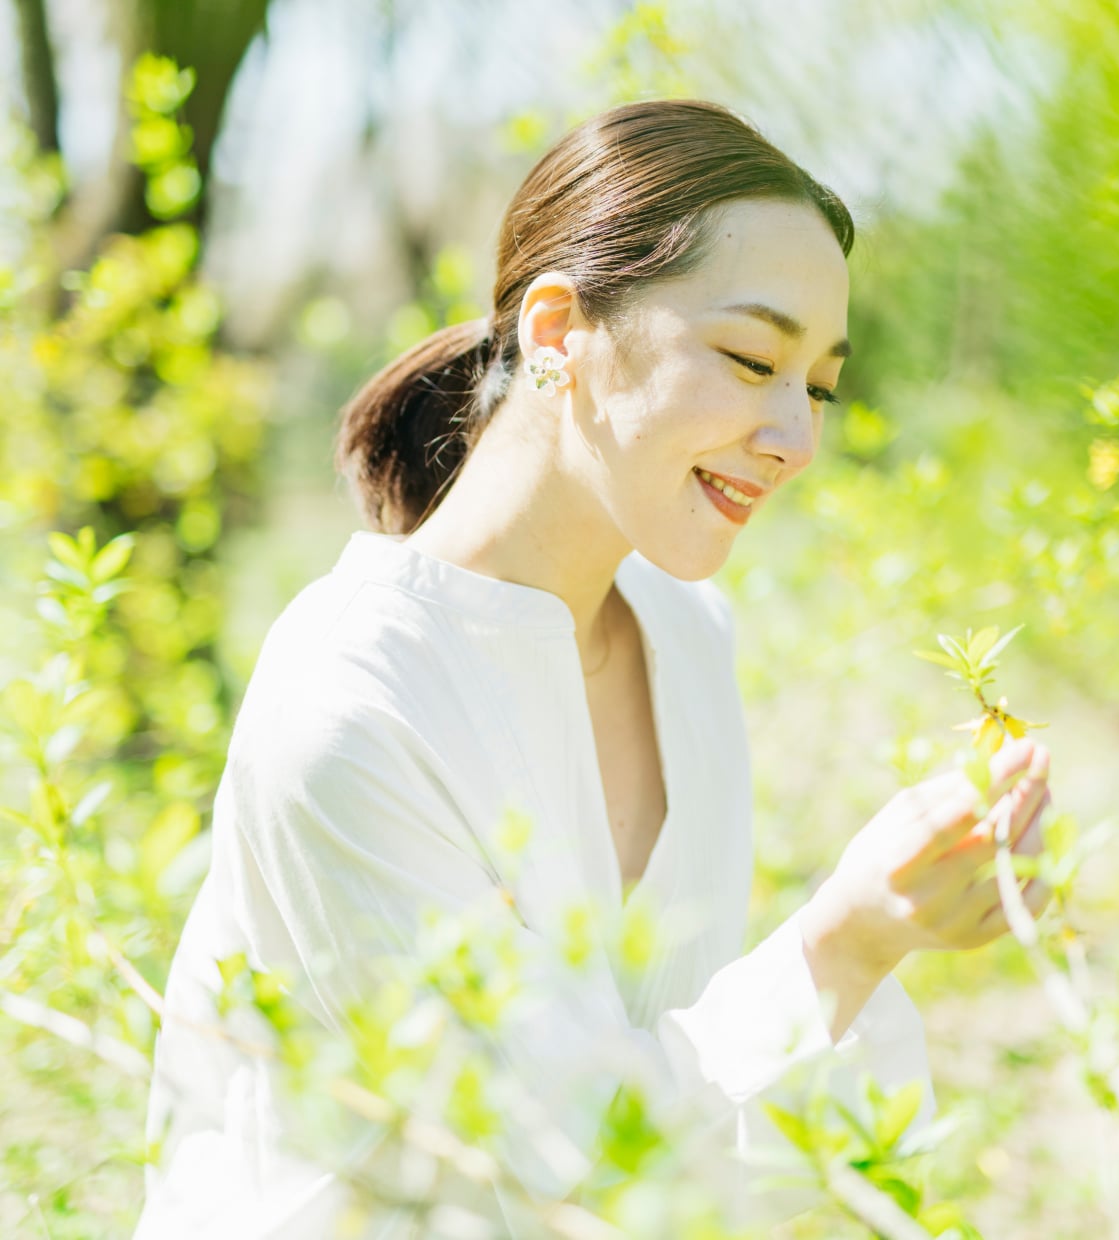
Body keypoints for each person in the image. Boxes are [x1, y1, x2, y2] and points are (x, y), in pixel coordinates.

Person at [135, 98, 1052, 1237]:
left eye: (816, 383)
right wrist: (846, 941)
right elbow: (536, 1154)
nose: (795, 437)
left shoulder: (686, 634)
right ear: (559, 329)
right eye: (750, 356)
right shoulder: (351, 702)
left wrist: (905, 923)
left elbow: (687, 1101)